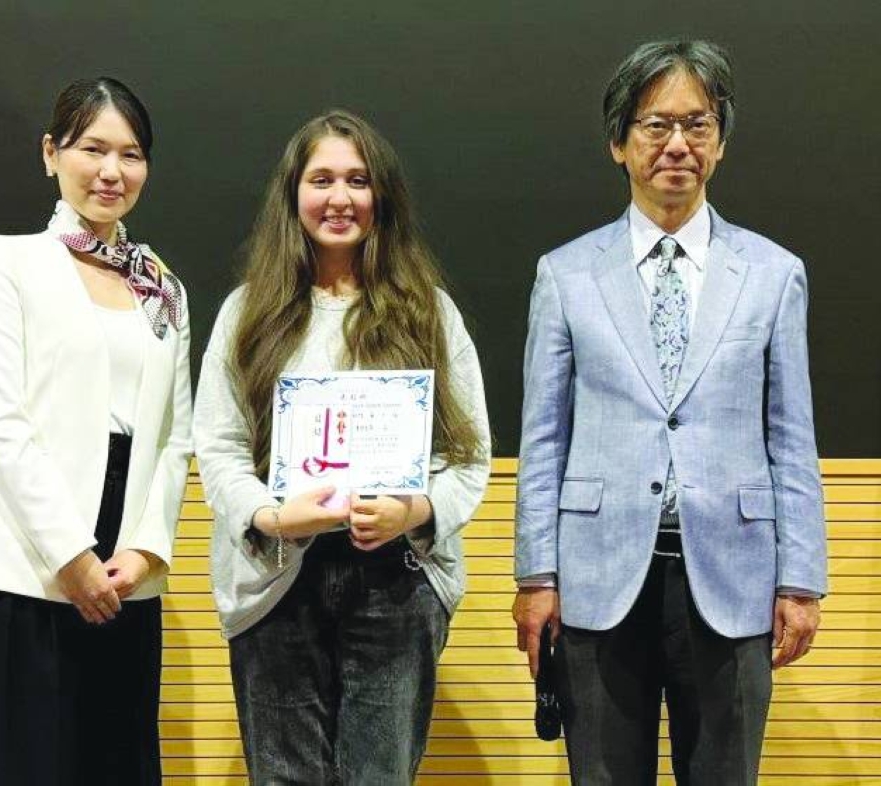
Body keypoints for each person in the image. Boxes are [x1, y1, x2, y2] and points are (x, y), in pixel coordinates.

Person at [512, 40, 827, 784]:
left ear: (720, 142)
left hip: (735, 578)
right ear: (618, 143)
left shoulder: (776, 275)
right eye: (656, 126)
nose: (678, 145)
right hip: (599, 577)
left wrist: (802, 580)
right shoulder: (564, 275)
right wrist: (536, 575)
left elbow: (791, 435)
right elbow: (543, 436)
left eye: (698, 124)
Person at [193, 109, 490, 784]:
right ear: (292, 194)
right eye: (321, 179)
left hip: (396, 581)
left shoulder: (429, 312)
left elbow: (468, 459)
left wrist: (412, 512)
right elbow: (218, 449)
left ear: (381, 196)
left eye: (358, 180)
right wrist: (273, 517)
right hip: (276, 580)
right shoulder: (247, 312)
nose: (339, 197)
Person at [0, 77, 192, 786]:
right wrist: (69, 555)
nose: (112, 171)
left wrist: (145, 549)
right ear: (52, 153)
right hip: (28, 570)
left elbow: (177, 433)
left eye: (131, 154)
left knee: (120, 765)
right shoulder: (7, 261)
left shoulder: (162, 287)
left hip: (126, 577)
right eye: (92, 148)